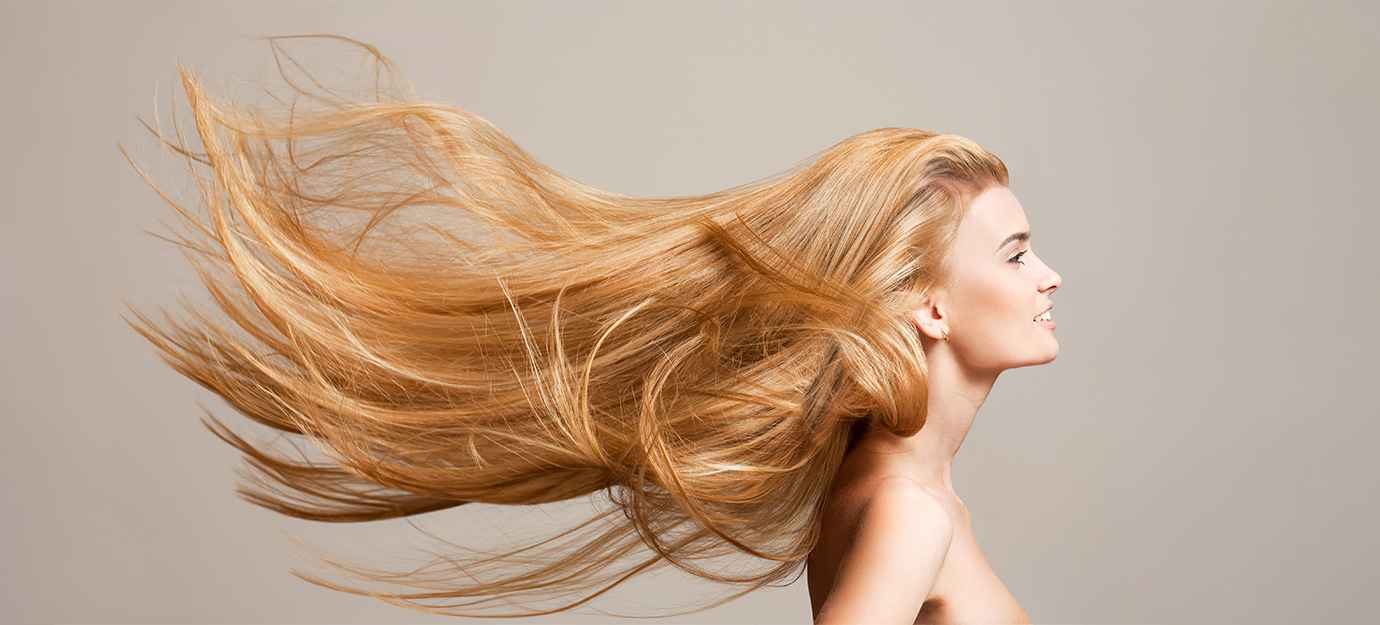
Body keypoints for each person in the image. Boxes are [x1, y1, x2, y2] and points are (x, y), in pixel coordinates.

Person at [123, 35, 1059, 623]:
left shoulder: (902, 495)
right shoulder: (910, 511)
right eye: (1015, 254)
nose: (1049, 276)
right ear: (928, 306)